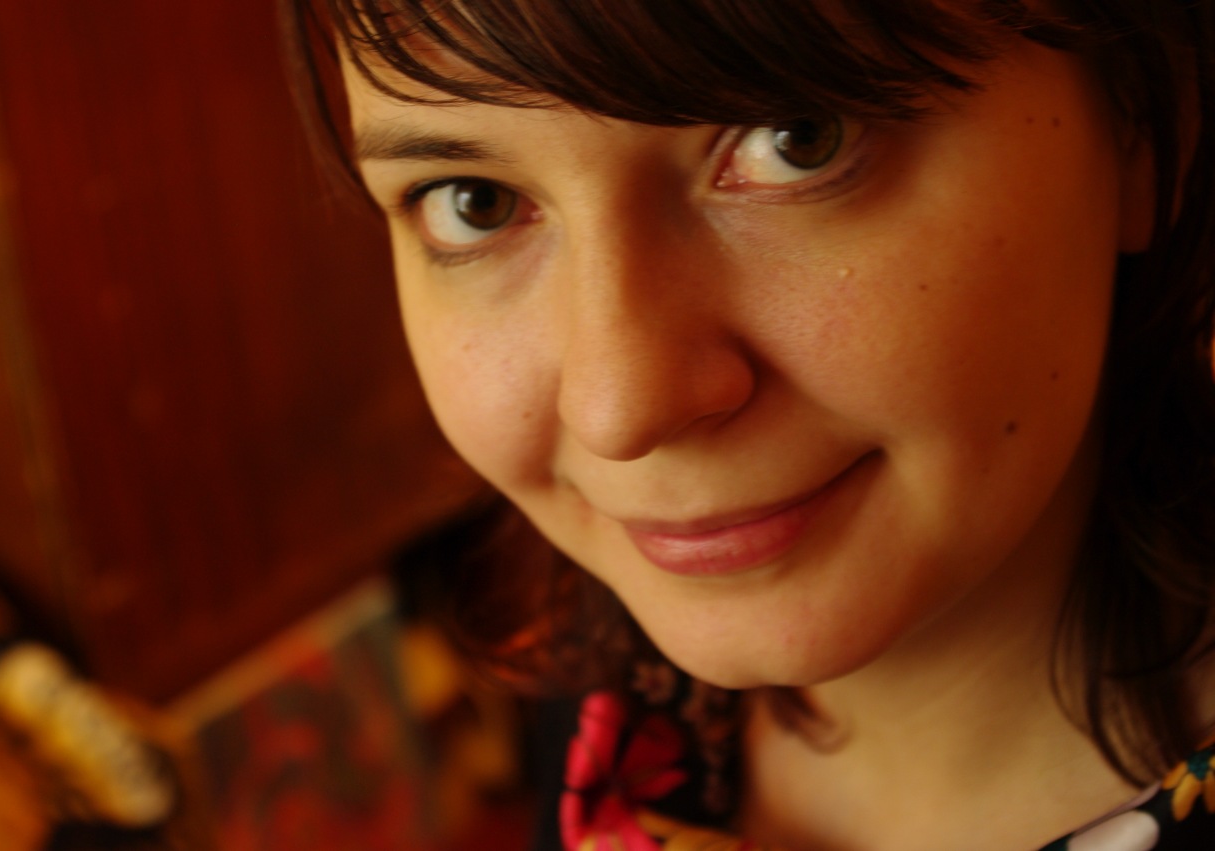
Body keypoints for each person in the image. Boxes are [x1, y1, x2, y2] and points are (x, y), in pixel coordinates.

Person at [286, 1, 1215, 848]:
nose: (620, 407)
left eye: (796, 141)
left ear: (1142, 122)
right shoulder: (614, 708)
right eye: (474, 201)